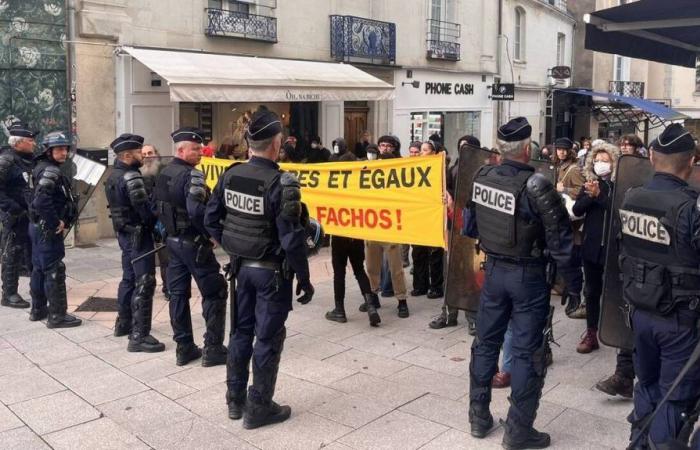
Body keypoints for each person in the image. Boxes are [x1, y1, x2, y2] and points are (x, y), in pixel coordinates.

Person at [466, 117, 577, 449]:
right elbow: (561, 243)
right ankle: (518, 431)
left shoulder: (482, 176)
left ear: (500, 149)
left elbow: (470, 226)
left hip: (494, 271)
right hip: (528, 276)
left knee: (485, 343)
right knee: (528, 353)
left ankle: (478, 417)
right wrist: (573, 286)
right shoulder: (537, 185)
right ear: (527, 149)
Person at [204, 110, 314, 429]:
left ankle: (235, 401)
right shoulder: (282, 183)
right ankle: (259, 406)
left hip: (240, 271)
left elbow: (211, 220)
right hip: (271, 274)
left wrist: (234, 244)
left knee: (240, 333)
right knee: (267, 339)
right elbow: (291, 239)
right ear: (276, 144)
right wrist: (304, 278)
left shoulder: (231, 174)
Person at [618, 124, 700, 448]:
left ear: (652, 157)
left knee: (647, 386)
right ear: (691, 162)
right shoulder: (691, 208)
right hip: (680, 321)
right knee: (675, 399)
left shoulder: (631, 197)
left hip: (639, 314)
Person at [153, 127, 227, 367]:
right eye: (195, 149)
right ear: (181, 150)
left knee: (177, 295)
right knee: (215, 291)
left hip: (172, 244)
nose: (200, 153)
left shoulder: (164, 172)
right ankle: (213, 348)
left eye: (200, 148)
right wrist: (212, 234)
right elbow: (196, 210)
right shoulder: (192, 175)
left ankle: (184, 348)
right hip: (194, 244)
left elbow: (156, 206)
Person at [105, 134, 165, 352]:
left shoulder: (114, 175)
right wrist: (156, 219)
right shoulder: (132, 177)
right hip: (138, 236)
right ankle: (139, 335)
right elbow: (145, 211)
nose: (143, 155)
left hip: (125, 235)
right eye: (140, 152)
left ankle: (124, 323)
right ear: (128, 154)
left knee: (129, 279)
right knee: (144, 281)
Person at [323, 137, 380, 326]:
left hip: (340, 231)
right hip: (355, 231)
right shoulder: (358, 179)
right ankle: (370, 304)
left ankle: (339, 309)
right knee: (358, 269)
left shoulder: (332, 184)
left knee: (339, 272)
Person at [28, 131, 81, 328]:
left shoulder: (42, 167)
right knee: (53, 269)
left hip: (37, 227)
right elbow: (42, 201)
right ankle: (57, 315)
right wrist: (55, 222)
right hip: (46, 229)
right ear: (49, 151)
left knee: (39, 269)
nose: (64, 152)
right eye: (59, 149)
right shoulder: (50, 171)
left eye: (66, 149)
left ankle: (38, 309)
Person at [571, 142, 620, 354]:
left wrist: (600, 196)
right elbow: (577, 209)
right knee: (591, 291)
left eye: (605, 161)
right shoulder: (590, 183)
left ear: (614, 163)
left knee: (615, 292)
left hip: (614, 248)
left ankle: (618, 333)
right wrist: (590, 196)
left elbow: (618, 211)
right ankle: (591, 332)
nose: (601, 164)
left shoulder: (621, 186)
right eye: (598, 160)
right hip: (591, 247)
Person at [364, 135, 410, 318]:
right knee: (372, 263)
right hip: (372, 221)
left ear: (394, 148)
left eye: (388, 145)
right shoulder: (370, 165)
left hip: (391, 222)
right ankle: (373, 295)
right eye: (381, 145)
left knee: (395, 265)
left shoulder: (400, 166)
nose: (384, 148)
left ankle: (401, 300)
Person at [0, 122, 37, 309]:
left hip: (29, 214)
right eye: (30, 140)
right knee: (11, 252)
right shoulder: (7, 160)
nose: (34, 144)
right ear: (18, 142)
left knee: (31, 252)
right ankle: (9, 293)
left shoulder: (29, 158)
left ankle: (36, 288)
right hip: (14, 215)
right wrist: (13, 208)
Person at [553, 137, 585, 318]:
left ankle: (574, 295)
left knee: (571, 259)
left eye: (565, 150)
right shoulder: (558, 166)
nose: (562, 152)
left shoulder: (573, 169)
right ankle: (564, 288)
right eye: (559, 149)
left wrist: (563, 190)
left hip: (572, 223)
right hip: (561, 219)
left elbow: (581, 191)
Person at [411, 141, 444, 298]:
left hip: (433, 215)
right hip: (418, 216)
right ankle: (419, 285)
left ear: (433, 152)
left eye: (425, 150)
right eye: (421, 150)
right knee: (418, 253)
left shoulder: (439, 169)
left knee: (435, 253)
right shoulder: (413, 168)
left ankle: (436, 286)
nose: (421, 153)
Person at [141, 144, 170, 300]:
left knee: (165, 258)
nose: (147, 157)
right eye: (144, 154)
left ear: (156, 154)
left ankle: (168, 288)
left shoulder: (164, 171)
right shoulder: (139, 173)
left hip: (161, 222)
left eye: (150, 153)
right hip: (145, 222)